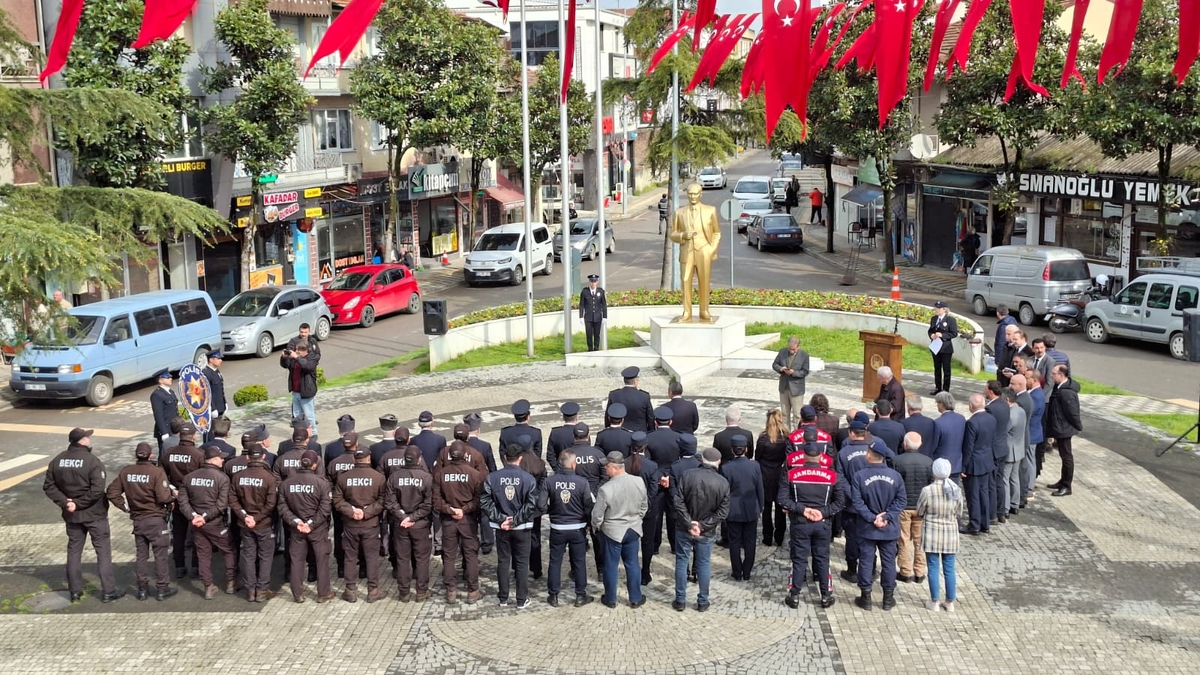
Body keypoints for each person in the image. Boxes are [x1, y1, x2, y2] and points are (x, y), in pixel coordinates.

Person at [43, 428, 121, 604]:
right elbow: (97, 490)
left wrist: (66, 502)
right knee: (103, 552)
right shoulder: (92, 461)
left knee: (74, 551)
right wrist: (78, 503)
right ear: (82, 441)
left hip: (72, 516)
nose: (89, 439)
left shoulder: (57, 460)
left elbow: (49, 486)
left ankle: (75, 592)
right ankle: (108, 591)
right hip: (95, 514)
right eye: (87, 436)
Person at [779, 434, 846, 609]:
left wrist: (803, 509)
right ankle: (825, 595)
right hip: (823, 523)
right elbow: (840, 503)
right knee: (822, 559)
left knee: (799, 559)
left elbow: (782, 499)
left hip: (800, 523)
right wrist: (822, 512)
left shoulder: (791, 474)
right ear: (821, 457)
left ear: (803, 456)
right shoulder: (833, 476)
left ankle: (794, 595)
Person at [106, 441, 176, 601]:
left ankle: (142, 589)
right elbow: (163, 497)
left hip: (138, 520)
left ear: (135, 455)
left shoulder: (126, 472)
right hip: (156, 520)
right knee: (160, 556)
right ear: (151, 456)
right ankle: (162, 588)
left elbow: (111, 492)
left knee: (141, 555)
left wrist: (125, 507)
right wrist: (172, 498)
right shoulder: (156, 472)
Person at [481, 443, 540, 609]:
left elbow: (485, 502)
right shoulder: (528, 479)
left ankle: (503, 598)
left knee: (503, 561)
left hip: (502, 527)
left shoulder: (492, 478)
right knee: (522, 563)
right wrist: (515, 520)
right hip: (522, 527)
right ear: (520, 458)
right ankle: (521, 599)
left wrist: (501, 519)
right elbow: (531, 504)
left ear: (505, 458)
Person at [848, 443, 906, 611]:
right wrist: (887, 516)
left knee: (866, 561)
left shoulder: (859, 476)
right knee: (888, 563)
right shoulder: (895, 476)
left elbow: (857, 502)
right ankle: (888, 598)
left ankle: (865, 597)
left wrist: (872, 518)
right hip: (889, 528)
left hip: (867, 528)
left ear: (868, 455)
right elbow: (901, 500)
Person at [672, 448, 730, 612]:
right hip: (706, 531)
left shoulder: (687, 475)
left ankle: (680, 600)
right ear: (718, 462)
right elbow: (723, 512)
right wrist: (702, 526)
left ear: (702, 460)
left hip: (685, 527)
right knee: (703, 564)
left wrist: (690, 523)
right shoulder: (722, 483)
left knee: (682, 562)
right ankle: (703, 601)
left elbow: (678, 502)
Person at [177, 445, 236, 599]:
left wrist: (194, 516)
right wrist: (204, 517)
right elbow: (222, 504)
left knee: (203, 554)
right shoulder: (222, 478)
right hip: (215, 523)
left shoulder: (189, 477)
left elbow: (182, 501)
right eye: (221, 458)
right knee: (228, 550)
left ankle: (208, 587)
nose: (223, 460)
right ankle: (231, 582)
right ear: (214, 460)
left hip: (197, 524)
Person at [333, 434, 386, 603]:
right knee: (371, 558)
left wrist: (351, 511)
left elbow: (337, 500)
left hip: (350, 524)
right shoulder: (378, 477)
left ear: (355, 458)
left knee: (350, 557)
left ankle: (350, 590)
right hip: (370, 524)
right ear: (368, 458)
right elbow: (383, 501)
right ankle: (373, 590)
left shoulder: (344, 477)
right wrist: (367, 512)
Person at [592, 451, 649, 609]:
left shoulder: (606, 489)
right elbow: (644, 505)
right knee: (632, 564)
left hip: (613, 531)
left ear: (614, 467)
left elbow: (597, 514)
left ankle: (611, 599)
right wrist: (637, 519)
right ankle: (635, 598)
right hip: (633, 528)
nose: (605, 469)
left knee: (611, 565)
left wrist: (597, 526)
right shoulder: (638, 481)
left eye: (606, 466)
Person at [278, 450, 335, 603]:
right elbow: (325, 508)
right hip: (317, 529)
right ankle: (323, 593)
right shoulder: (322, 483)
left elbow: (282, 507)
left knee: (296, 560)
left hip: (296, 529)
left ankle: (297, 593)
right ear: (315, 465)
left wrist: (296, 522)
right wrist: (311, 524)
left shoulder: (286, 483)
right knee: (321, 559)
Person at [434, 441, 486, 604]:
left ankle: (451, 590)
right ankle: (473, 591)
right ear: (465, 455)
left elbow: (436, 501)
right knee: (470, 555)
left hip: (448, 520)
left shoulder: (440, 474)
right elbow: (479, 499)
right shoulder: (474, 474)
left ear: (450, 456)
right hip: (468, 520)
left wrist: (450, 510)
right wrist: (464, 509)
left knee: (449, 556)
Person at [545, 449, 595, 607]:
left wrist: (552, 511)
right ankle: (580, 595)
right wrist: (588, 523)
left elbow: (541, 504)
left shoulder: (549, 481)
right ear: (573, 464)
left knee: (555, 561)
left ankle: (553, 595)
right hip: (577, 528)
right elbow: (588, 506)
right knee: (579, 561)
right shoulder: (582, 482)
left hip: (557, 527)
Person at [383, 446, 433, 602]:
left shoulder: (394, 477)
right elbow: (429, 504)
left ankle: (404, 592)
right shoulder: (427, 478)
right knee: (422, 559)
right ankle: (421, 591)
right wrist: (413, 518)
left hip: (401, 524)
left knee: (402, 558)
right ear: (419, 459)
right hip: (420, 525)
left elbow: (390, 502)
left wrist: (403, 516)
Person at [229, 443, 278, 603]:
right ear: (263, 456)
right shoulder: (269, 477)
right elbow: (271, 504)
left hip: (245, 524)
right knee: (265, 557)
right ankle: (262, 590)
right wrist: (256, 518)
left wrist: (245, 516)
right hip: (263, 523)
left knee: (248, 555)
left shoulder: (238, 476)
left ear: (247, 457)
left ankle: (250, 590)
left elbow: (233, 500)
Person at [917, 459, 966, 612]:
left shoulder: (927, 490)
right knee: (949, 568)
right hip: (950, 533)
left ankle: (934, 601)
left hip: (932, 533)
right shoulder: (956, 490)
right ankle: (950, 601)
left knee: (933, 567)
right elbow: (959, 511)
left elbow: (920, 510)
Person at [670, 182, 721, 322]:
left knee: (704, 281)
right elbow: (672, 234)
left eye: (695, 194)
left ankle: (704, 311)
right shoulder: (679, 212)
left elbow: (717, 233)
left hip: (704, 251)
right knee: (685, 281)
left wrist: (711, 250)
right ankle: (687, 312)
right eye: (690, 194)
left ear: (701, 194)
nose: (692, 197)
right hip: (687, 252)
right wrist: (682, 235)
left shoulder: (710, 210)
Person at [161, 421, 204, 579]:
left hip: (177, 499)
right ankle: (195, 567)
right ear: (194, 436)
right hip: (194, 500)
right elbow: (203, 477)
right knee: (197, 534)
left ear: (179, 435)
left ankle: (179, 566)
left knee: (178, 534)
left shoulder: (168, 453)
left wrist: (173, 490)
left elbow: (162, 476)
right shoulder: (199, 455)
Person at [721, 436, 763, 582]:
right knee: (750, 542)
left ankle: (737, 572)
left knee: (734, 542)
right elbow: (760, 489)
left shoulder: (726, 468)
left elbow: (724, 492)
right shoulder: (755, 466)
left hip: (733, 510)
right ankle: (747, 571)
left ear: (732, 450)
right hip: (751, 509)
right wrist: (760, 507)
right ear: (746, 449)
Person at [893, 432, 933, 584]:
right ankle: (920, 572)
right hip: (921, 507)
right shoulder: (928, 461)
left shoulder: (897, 461)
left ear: (904, 444)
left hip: (903, 506)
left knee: (904, 539)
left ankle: (905, 571)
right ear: (920, 444)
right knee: (920, 540)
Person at [625, 433, 661, 585]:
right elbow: (653, 490)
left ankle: (632, 571)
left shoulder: (624, 463)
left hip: (628, 508)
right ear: (645, 447)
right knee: (647, 541)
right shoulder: (652, 466)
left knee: (630, 541)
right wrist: (646, 505)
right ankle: (645, 572)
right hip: (647, 509)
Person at [1044, 364, 1082, 497]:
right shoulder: (1060, 387)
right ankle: (1062, 481)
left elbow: (1072, 412)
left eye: (1053, 374)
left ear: (1061, 375)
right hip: (1060, 427)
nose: (1051, 376)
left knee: (1066, 457)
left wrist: (1078, 426)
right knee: (1063, 456)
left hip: (1064, 429)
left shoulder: (1066, 392)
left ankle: (1066, 485)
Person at [962, 393, 996, 535]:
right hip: (987, 461)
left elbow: (968, 447)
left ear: (971, 406)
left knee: (973, 496)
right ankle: (985, 523)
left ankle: (974, 525)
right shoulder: (991, 418)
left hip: (974, 464)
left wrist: (963, 467)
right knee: (984, 493)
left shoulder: (971, 422)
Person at [755, 408, 789, 547]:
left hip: (765, 474)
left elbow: (757, 457)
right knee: (780, 507)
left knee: (767, 508)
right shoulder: (786, 437)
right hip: (780, 474)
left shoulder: (763, 438)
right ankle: (779, 536)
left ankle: (767, 536)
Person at [281, 342, 319, 439]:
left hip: (306, 391)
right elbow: (285, 365)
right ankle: (300, 433)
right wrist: (284, 358)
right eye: (296, 349)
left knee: (308, 414)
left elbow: (308, 366)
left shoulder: (312, 358)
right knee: (297, 415)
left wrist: (297, 357)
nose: (296, 351)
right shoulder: (295, 359)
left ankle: (313, 433)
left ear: (305, 350)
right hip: (295, 391)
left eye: (299, 350)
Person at [772, 337, 810, 429]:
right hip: (784, 387)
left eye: (793, 349)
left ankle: (797, 432)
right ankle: (786, 432)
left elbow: (805, 371)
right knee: (784, 413)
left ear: (798, 347)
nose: (791, 351)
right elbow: (775, 364)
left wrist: (794, 373)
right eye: (789, 349)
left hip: (796, 389)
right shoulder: (782, 352)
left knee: (797, 414)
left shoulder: (804, 355)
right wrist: (781, 369)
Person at [1003, 385, 1029, 516]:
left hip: (1009, 451)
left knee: (1005, 479)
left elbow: (1004, 431)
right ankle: (1015, 504)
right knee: (1014, 478)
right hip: (1019, 450)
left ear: (1007, 400)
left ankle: (1005, 507)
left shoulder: (1010, 415)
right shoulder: (1021, 410)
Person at [605, 366, 655, 433]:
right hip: (640, 434)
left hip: (620, 433)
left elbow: (608, 416)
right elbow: (650, 418)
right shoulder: (644, 396)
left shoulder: (614, 395)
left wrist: (609, 432)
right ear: (635, 381)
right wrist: (650, 433)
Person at [931, 392, 966, 480]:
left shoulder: (938, 423)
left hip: (941, 467)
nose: (937, 405)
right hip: (956, 464)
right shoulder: (961, 419)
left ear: (942, 404)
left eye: (937, 403)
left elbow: (933, 445)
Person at [928, 301, 958, 395]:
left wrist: (942, 335)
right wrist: (931, 335)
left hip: (945, 348)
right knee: (937, 368)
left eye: (938, 308)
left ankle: (945, 389)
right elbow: (930, 330)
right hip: (935, 347)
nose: (936, 310)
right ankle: (938, 387)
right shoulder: (934, 319)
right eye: (936, 308)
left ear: (944, 309)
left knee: (946, 369)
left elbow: (954, 333)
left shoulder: (950, 320)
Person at [1025, 370, 1047, 492]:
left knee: (1029, 461)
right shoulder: (1035, 393)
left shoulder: (1036, 396)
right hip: (1033, 432)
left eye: (1026, 378)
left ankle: (1029, 486)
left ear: (1034, 380)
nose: (1025, 380)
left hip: (1031, 433)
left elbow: (1029, 414)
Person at [547, 402, 581, 474]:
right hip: (578, 471)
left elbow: (550, 456)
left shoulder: (555, 432)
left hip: (561, 471)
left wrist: (557, 469)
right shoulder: (581, 432)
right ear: (577, 417)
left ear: (563, 417)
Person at [150, 371, 179, 453]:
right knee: (164, 454)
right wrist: (164, 432)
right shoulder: (156, 394)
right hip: (166, 429)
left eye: (170, 377)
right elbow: (158, 416)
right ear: (160, 380)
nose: (170, 379)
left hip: (174, 428)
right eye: (167, 377)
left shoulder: (170, 392)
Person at [579, 274, 608, 352]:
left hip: (598, 317)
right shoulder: (584, 292)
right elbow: (581, 305)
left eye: (594, 282)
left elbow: (604, 304)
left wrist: (605, 316)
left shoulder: (601, 291)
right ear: (589, 282)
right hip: (588, 317)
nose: (593, 283)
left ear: (597, 282)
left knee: (597, 334)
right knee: (589, 334)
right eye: (591, 281)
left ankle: (596, 348)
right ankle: (590, 349)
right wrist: (581, 316)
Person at [202, 351, 227, 421]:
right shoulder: (206, 373)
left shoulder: (216, 371)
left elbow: (220, 390)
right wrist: (212, 408)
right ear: (211, 360)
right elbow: (206, 393)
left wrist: (224, 403)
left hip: (220, 407)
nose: (221, 360)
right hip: (213, 409)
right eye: (218, 358)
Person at [993, 305, 1017, 376]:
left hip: (1004, 358)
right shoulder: (1013, 321)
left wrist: (998, 360)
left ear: (998, 313)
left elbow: (1000, 344)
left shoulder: (1003, 326)